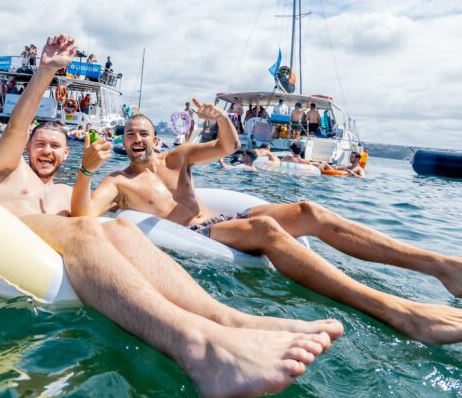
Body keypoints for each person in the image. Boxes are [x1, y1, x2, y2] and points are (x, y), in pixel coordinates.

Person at [0, 34, 339, 398]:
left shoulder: (63, 194)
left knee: (120, 227)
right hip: (4, 234)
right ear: (27, 147)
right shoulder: (9, 171)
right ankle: (197, 345)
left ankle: (229, 320)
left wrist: (88, 172)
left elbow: (89, 213)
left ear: (66, 153)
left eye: (56, 146)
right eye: (40, 144)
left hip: (62, 243)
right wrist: (46, 72)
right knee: (88, 227)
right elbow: (16, 129)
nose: (48, 151)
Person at [72, 104, 462, 344]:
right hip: (193, 234)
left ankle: (441, 266)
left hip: (222, 218)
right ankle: (397, 311)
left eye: (143, 133)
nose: (136, 138)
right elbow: (84, 217)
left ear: (155, 137)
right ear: (122, 141)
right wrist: (87, 169)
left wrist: (221, 117)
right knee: (268, 231)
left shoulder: (178, 157)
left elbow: (227, 147)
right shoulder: (117, 182)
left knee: (310, 210)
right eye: (129, 134)